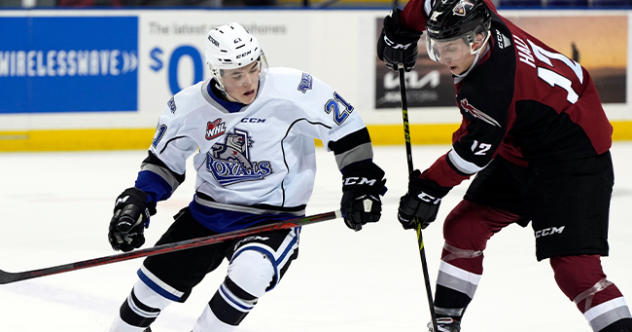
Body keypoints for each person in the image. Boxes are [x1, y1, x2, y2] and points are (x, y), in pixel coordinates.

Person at [108, 22, 386, 332]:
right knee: (139, 306)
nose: (249, 81)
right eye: (236, 75)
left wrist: (360, 180)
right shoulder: (188, 107)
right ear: (216, 73)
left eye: (253, 68)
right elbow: (163, 164)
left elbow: (345, 128)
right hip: (206, 215)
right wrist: (138, 201)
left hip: (273, 219)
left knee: (251, 272)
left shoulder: (294, 89)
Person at [377, 0, 632, 331]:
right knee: (463, 227)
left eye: (450, 48)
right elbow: (432, 4)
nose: (444, 59)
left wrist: (429, 188)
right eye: (437, 48)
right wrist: (403, 28)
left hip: (571, 159)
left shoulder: (491, 87)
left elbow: (471, 155)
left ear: (477, 39)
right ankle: (445, 322)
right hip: (526, 145)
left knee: (576, 272)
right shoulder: (477, 16)